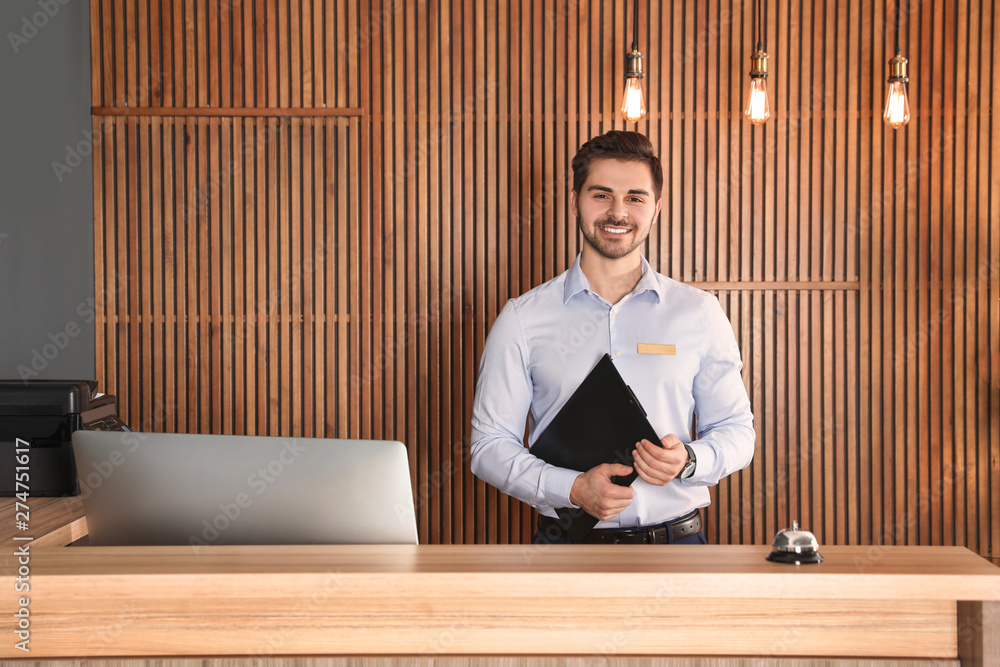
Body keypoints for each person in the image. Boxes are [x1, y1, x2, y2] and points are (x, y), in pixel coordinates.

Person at [469, 130, 755, 544]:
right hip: (565, 552)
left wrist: (689, 459)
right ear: (574, 202)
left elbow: (737, 430)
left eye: (635, 198)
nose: (618, 212)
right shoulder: (521, 319)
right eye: (601, 195)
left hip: (677, 550)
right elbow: (488, 446)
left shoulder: (699, 313)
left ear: (656, 209)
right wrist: (571, 488)